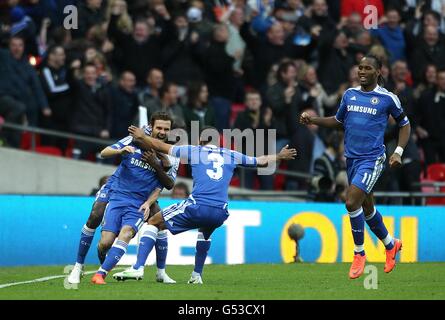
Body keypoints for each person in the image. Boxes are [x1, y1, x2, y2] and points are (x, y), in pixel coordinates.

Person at [122, 125, 296, 284]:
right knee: (205, 232)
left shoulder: (194, 151)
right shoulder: (231, 154)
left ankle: (137, 268)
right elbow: (261, 161)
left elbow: (160, 146)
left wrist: (141, 137)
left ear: (201, 141)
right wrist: (279, 156)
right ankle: (196, 275)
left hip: (198, 205)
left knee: (154, 222)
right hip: (220, 211)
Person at [300, 54, 410, 279]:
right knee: (366, 207)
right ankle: (391, 244)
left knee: (351, 201)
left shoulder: (388, 98)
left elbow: (405, 125)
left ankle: (359, 252)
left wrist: (398, 152)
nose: (362, 71)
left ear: (378, 72)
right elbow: (339, 122)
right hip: (351, 159)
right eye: (360, 67)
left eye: (367, 68)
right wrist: (314, 120)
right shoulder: (349, 95)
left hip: (372, 159)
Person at [68, 112, 178, 285]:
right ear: (151, 126)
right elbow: (104, 152)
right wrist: (120, 150)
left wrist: (157, 164)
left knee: (159, 220)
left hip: (141, 196)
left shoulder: (171, 154)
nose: (163, 132)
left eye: (166, 129)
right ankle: (78, 266)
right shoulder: (135, 140)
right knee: (95, 216)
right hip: (115, 188)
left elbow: (166, 184)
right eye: (159, 128)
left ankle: (161, 272)